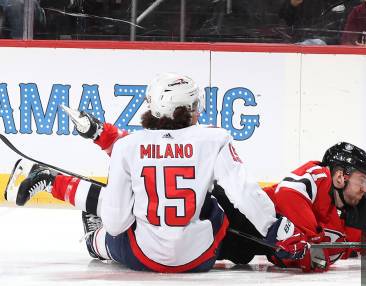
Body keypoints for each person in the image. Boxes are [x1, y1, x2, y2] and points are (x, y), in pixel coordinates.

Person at [7, 73, 323, 273]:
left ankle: (87, 231)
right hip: (199, 259)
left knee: (111, 230)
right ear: (188, 107)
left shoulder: (129, 146)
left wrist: (104, 138)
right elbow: (245, 193)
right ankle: (60, 185)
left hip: (145, 257)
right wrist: (276, 229)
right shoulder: (214, 139)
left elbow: (118, 221)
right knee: (216, 204)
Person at [263, 142, 366, 265]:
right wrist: (312, 239)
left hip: (271, 253)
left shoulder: (363, 212)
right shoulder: (319, 177)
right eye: (363, 180)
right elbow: (287, 192)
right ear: (340, 177)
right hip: (252, 219)